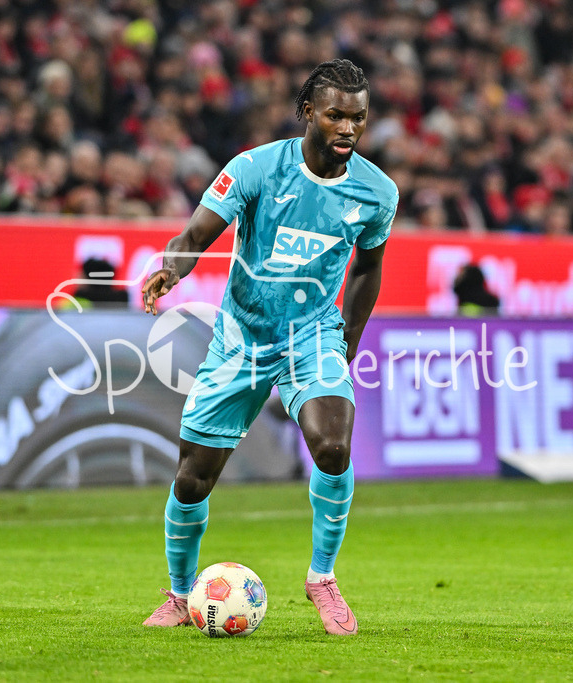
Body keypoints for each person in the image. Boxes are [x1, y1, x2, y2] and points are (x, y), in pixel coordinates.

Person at [139, 59, 398, 636]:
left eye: (358, 118)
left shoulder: (377, 192)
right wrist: (171, 270)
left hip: (313, 337)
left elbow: (367, 271)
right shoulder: (255, 168)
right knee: (192, 480)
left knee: (333, 446)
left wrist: (345, 345)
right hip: (241, 339)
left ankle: (321, 578)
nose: (349, 128)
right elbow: (197, 233)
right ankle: (181, 595)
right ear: (308, 112)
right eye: (335, 115)